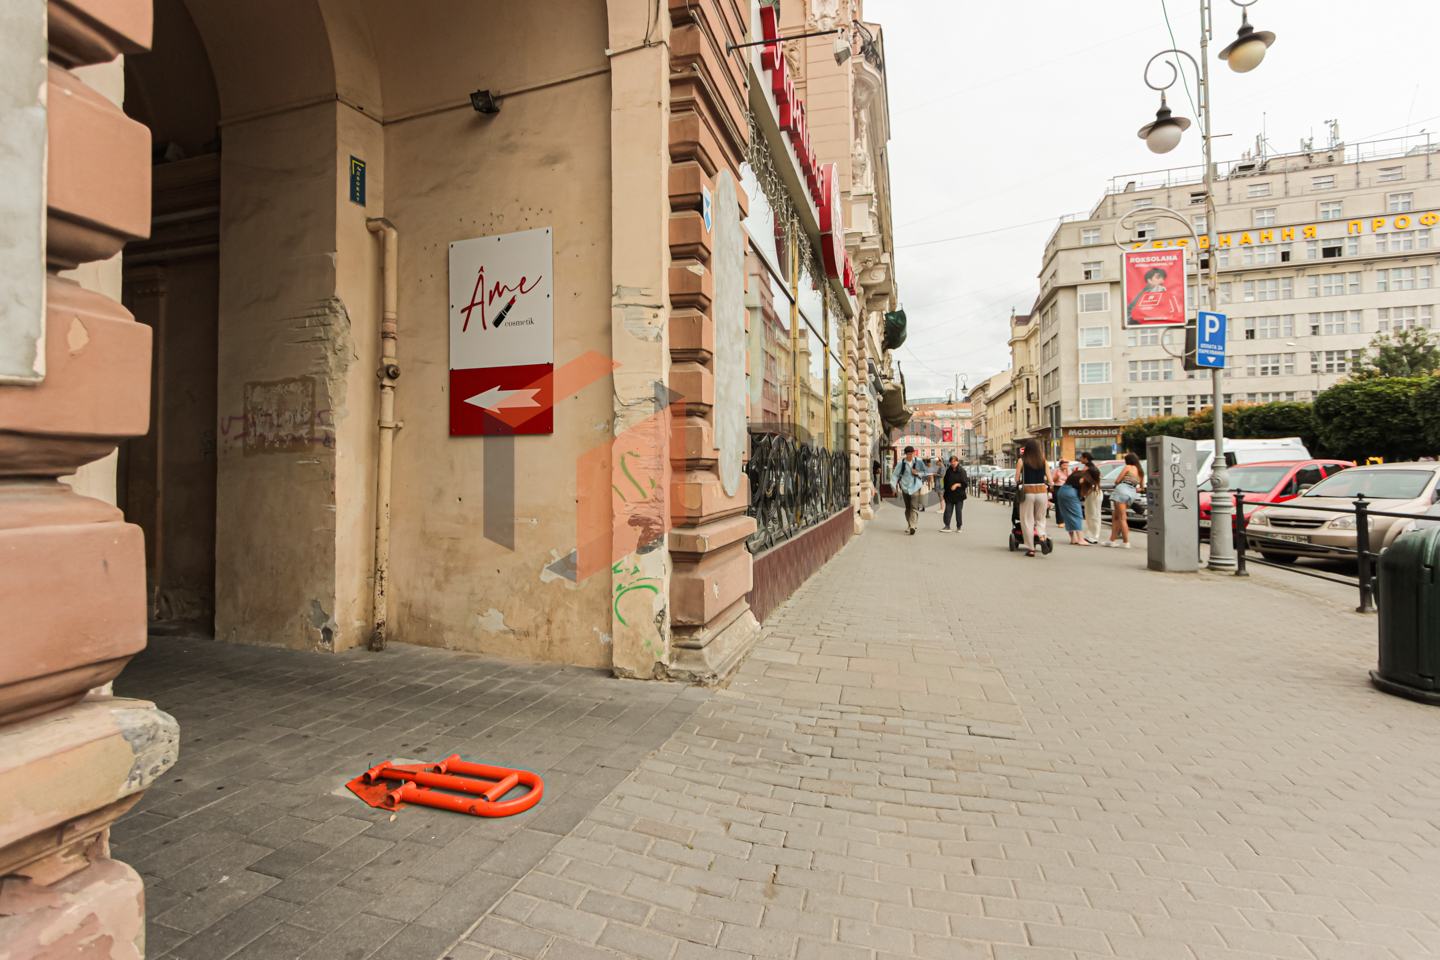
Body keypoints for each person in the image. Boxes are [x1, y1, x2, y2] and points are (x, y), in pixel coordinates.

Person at [1013, 438, 1051, 557]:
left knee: (1027, 519)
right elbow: (1050, 480)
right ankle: (1042, 537)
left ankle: (1031, 548)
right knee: (1040, 518)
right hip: (1042, 492)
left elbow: (1017, 479)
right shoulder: (1043, 461)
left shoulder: (1022, 461)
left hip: (1028, 492)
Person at [1106, 452, 1145, 548]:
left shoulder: (1128, 467)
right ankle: (1112, 540)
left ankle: (1126, 542)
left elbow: (1117, 480)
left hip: (1121, 491)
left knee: (1122, 518)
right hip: (1132, 493)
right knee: (1115, 515)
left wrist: (1124, 487)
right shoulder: (1141, 472)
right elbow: (1142, 488)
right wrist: (1131, 489)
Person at [890, 446, 925, 535]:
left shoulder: (919, 461)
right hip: (905, 488)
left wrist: (918, 473)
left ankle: (913, 526)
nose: (911, 456)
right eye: (909, 454)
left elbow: (925, 471)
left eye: (912, 454)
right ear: (905, 454)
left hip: (915, 488)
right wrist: (894, 488)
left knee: (914, 507)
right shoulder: (901, 463)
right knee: (908, 508)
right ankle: (910, 525)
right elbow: (895, 475)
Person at [1077, 452, 1103, 544]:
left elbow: (1081, 478)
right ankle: (1091, 536)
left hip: (1093, 493)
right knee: (1090, 514)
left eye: (1081, 457)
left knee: (1093, 514)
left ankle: (1093, 537)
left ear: (1086, 458)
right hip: (1094, 493)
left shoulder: (1090, 467)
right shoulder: (1093, 467)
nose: (1080, 459)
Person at [1056, 467, 1086, 544]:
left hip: (1062, 490)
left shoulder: (1075, 474)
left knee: (1067, 515)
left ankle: (1073, 539)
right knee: (1077, 514)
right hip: (1071, 493)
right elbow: (1081, 485)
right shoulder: (1082, 477)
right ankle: (1080, 539)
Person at [940, 455, 967, 532]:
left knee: (958, 511)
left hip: (959, 495)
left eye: (954, 461)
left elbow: (965, 484)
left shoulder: (962, 471)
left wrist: (956, 485)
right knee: (948, 511)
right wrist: (944, 490)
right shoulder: (948, 471)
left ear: (957, 462)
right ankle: (947, 525)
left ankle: (959, 526)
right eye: (951, 462)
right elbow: (945, 481)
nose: (953, 463)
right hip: (949, 495)